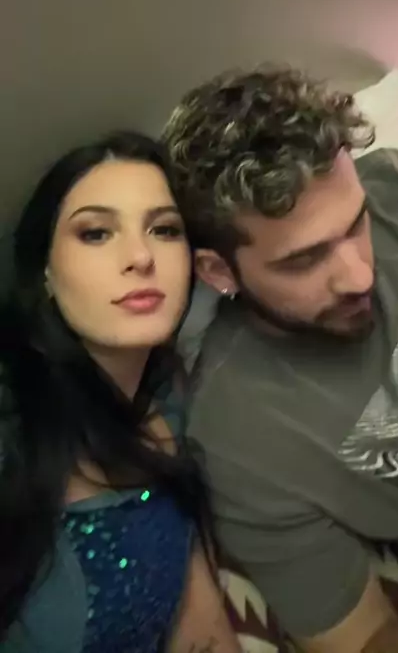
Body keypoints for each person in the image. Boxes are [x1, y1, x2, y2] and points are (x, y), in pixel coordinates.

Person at [163, 66, 398, 653]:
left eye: (356, 223)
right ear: (218, 271)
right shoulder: (241, 436)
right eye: (304, 260)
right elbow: (371, 642)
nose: (359, 275)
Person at [0, 131, 241, 653]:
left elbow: (201, 627)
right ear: (44, 271)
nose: (140, 256)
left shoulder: (174, 399)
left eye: (165, 229)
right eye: (96, 233)